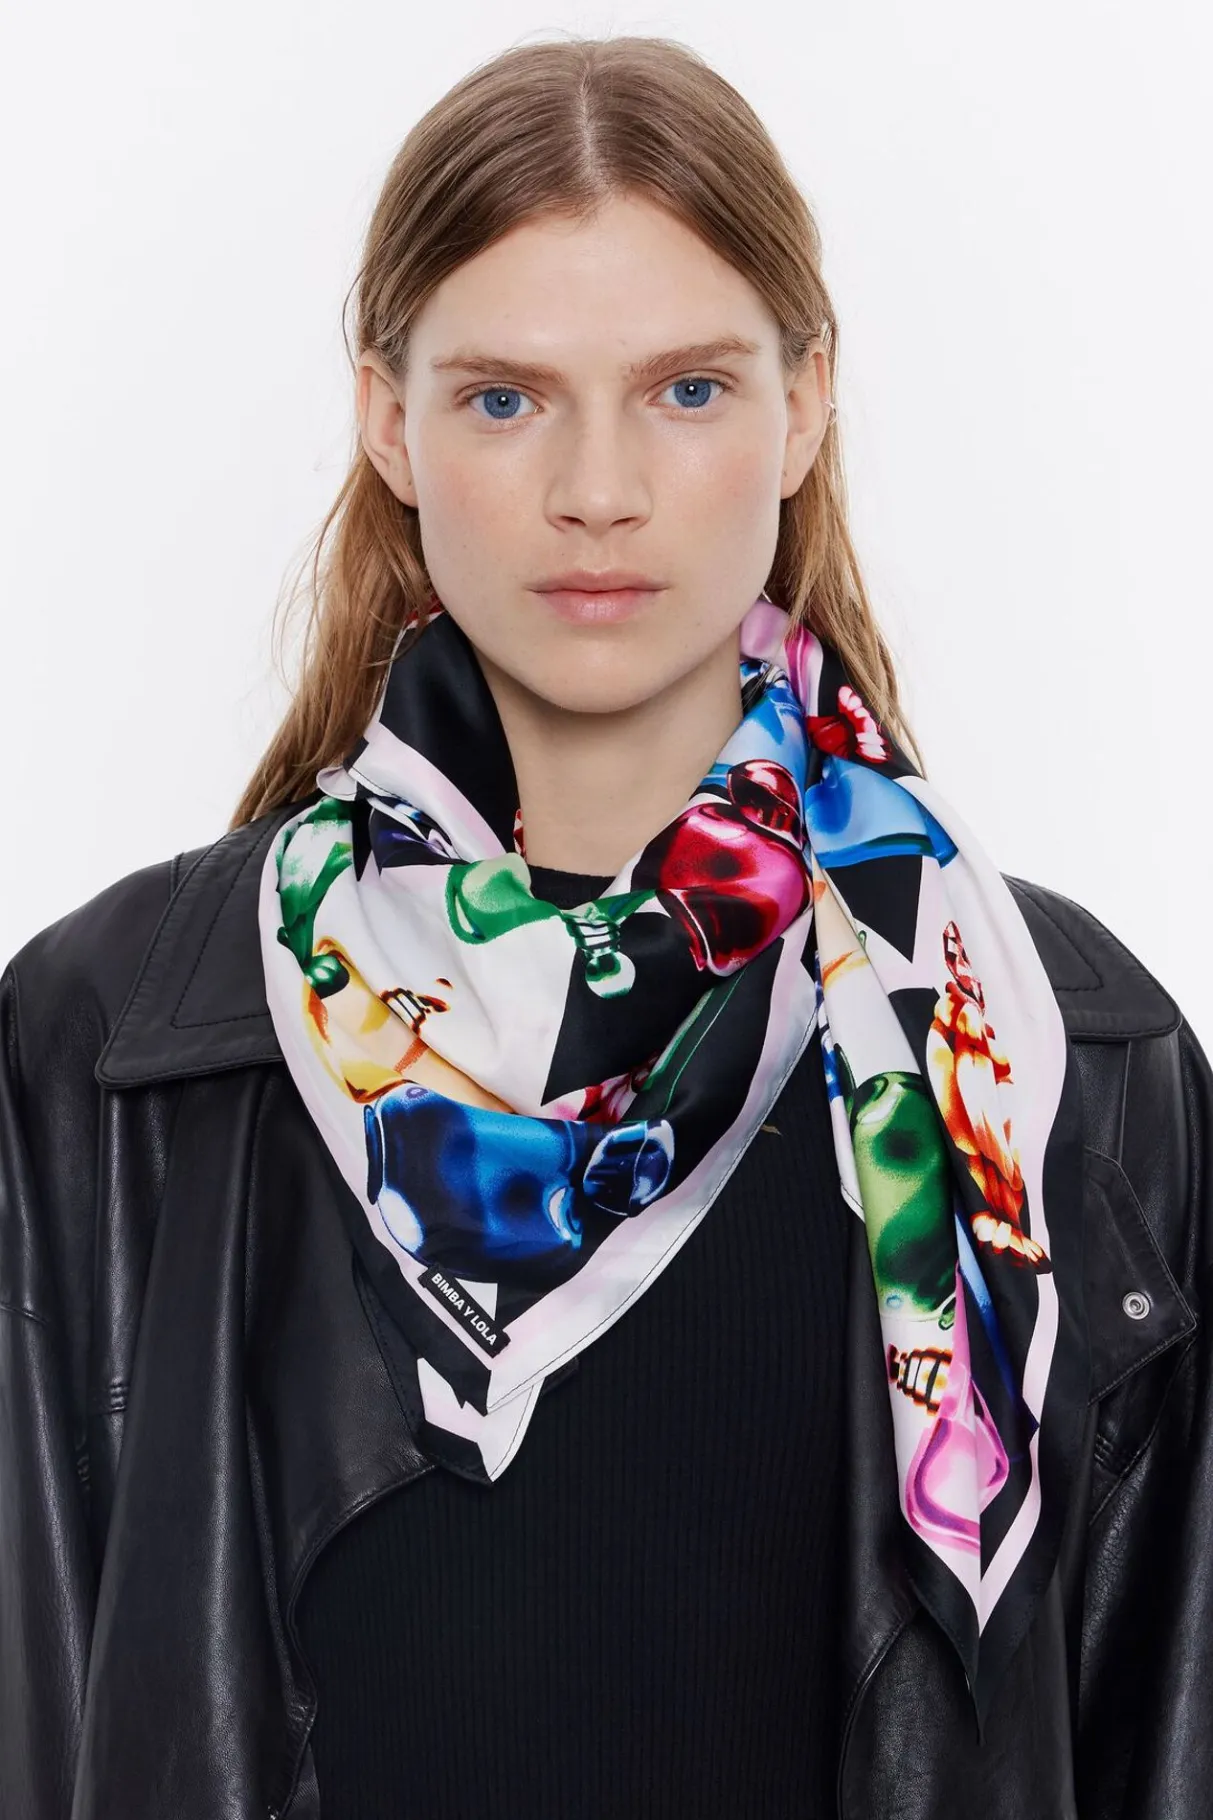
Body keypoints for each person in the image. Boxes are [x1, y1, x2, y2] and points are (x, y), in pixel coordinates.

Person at [1, 32, 1209, 1820]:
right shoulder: (115, 1050)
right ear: (387, 421)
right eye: (505, 399)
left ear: (805, 404)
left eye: (688, 390)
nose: (598, 489)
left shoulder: (1061, 1060)